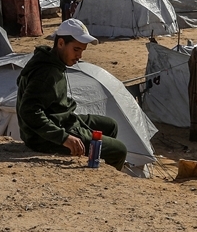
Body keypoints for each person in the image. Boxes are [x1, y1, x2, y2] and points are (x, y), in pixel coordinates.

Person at [16, 19, 128, 170]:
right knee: (119, 150)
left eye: (82, 50)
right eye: (76, 49)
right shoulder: (47, 72)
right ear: (61, 43)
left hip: (61, 119)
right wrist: (64, 138)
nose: (79, 56)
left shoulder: (50, 60)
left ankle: (97, 167)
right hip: (43, 138)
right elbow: (29, 111)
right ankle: (103, 177)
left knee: (110, 125)